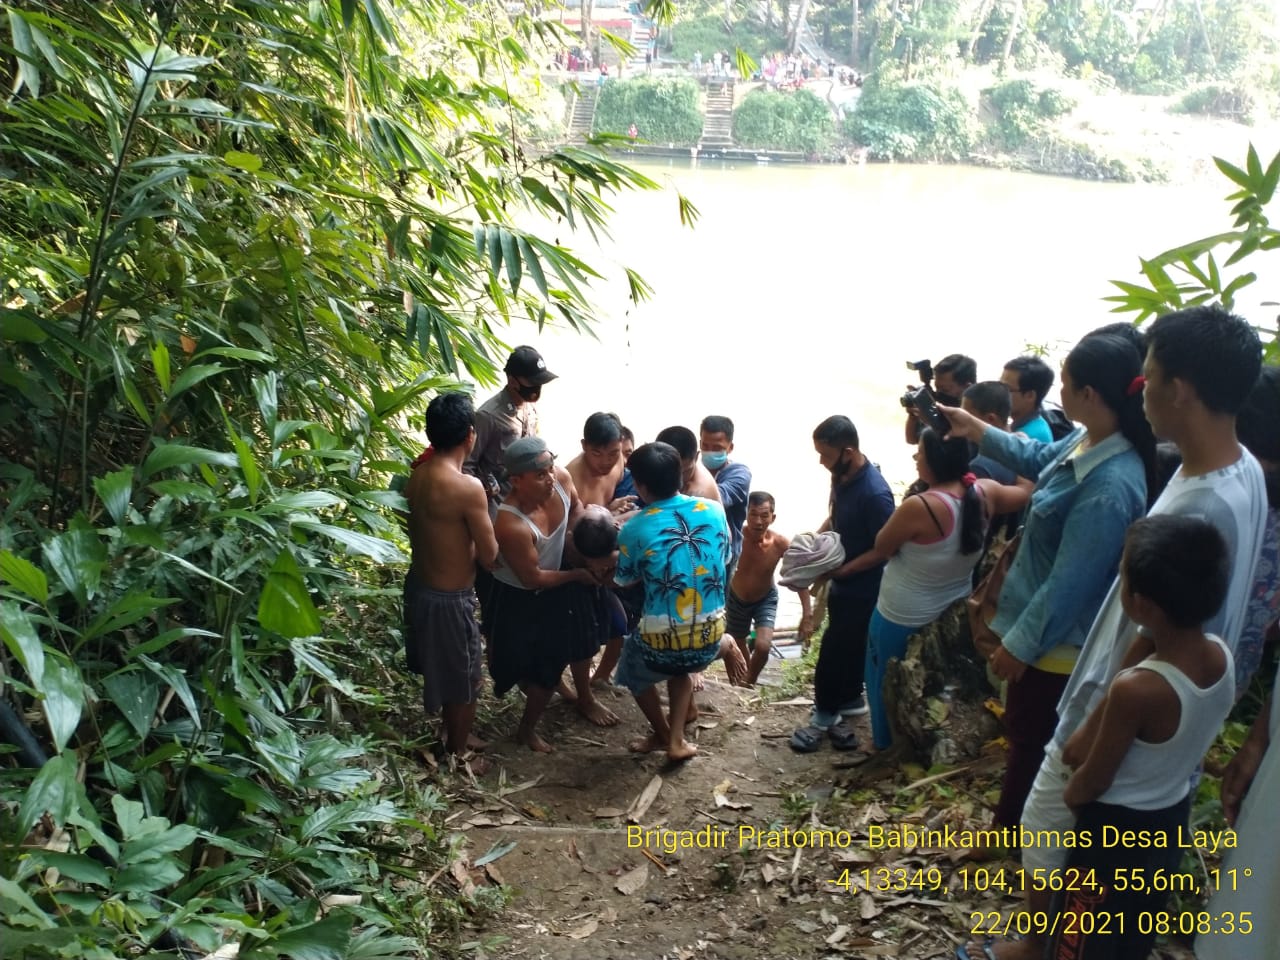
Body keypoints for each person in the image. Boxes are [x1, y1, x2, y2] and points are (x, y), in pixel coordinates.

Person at [968, 306, 1266, 960]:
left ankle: (1038, 946)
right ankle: (1039, 942)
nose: (1141, 389)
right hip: (1136, 719)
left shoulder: (1203, 502)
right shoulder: (1238, 468)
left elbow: (1171, 632)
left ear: (1179, 390)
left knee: (1054, 838)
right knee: (1084, 869)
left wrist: (1097, 723)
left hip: (1123, 721)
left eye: (1149, 376)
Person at [944, 332, 1156, 862]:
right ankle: (1013, 831)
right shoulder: (1087, 441)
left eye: (1064, 385)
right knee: (1025, 736)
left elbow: (1072, 581)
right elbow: (1038, 455)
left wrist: (1020, 643)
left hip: (1059, 644)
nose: (1059, 394)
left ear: (1089, 393)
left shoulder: (1111, 485)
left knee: (1032, 740)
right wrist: (976, 429)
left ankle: (1018, 841)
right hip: (1041, 630)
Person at [1050, 516, 1233, 960]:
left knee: (1077, 934)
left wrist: (1074, 795)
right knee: (1132, 931)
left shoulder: (1139, 689)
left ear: (1142, 604)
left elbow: (1093, 776)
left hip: (1113, 829)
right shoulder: (1220, 657)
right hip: (1168, 822)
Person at [858, 429, 1029, 751]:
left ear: (934, 461)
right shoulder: (985, 492)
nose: (915, 457)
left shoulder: (920, 506)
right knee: (938, 688)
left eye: (919, 453)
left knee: (887, 682)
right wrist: (1017, 449)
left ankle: (886, 747)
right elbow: (1027, 490)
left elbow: (882, 546)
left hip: (901, 616)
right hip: (951, 615)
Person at [612, 442, 748, 762]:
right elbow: (724, 557)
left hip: (666, 641)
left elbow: (624, 578)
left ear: (641, 486)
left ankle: (663, 735)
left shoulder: (634, 527)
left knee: (631, 669)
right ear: (680, 475)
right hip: (710, 631)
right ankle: (676, 740)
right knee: (681, 659)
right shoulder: (713, 509)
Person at [486, 437, 607, 751]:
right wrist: (578, 575)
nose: (550, 477)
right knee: (516, 665)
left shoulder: (563, 480)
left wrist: (585, 545)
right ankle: (527, 727)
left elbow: (578, 508)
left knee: (550, 662)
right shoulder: (510, 522)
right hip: (519, 597)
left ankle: (528, 726)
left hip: (557, 580)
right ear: (516, 480)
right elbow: (532, 578)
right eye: (540, 475)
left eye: (550, 467)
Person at [404, 393, 500, 769]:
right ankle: (458, 754)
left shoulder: (417, 476)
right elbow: (490, 555)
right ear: (470, 436)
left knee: (444, 666)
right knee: (466, 677)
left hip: (422, 587)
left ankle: (452, 731)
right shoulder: (466, 488)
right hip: (451, 596)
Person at [789, 416, 894, 753]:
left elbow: (884, 549)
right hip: (842, 577)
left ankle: (824, 715)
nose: (821, 462)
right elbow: (836, 516)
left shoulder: (875, 494)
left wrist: (846, 571)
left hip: (864, 585)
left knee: (835, 649)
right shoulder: (842, 475)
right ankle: (849, 698)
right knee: (846, 643)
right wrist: (816, 543)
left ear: (848, 451)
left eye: (826, 454)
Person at [726, 492, 813, 685]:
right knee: (738, 645)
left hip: (765, 598)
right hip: (735, 598)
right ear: (746, 514)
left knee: (763, 646)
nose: (758, 521)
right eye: (753, 514)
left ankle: (750, 679)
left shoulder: (780, 543)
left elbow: (798, 576)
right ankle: (745, 682)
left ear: (773, 517)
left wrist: (807, 613)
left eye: (764, 515)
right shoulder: (735, 536)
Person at [464, 345, 557, 513]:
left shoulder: (529, 408)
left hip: (524, 501)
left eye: (540, 383)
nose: (537, 388)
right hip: (495, 506)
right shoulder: (488, 415)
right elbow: (466, 466)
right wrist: (483, 491)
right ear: (513, 380)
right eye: (532, 383)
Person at [699, 416, 751, 579]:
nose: (709, 452)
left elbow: (717, 498)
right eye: (705, 445)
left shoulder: (739, 473)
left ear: (730, 447)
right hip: (693, 548)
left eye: (717, 447)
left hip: (724, 554)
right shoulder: (693, 468)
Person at [904, 353, 976, 445]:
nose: (939, 394)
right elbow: (912, 439)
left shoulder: (976, 415)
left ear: (967, 388)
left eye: (945, 390)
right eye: (937, 388)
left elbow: (955, 449)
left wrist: (931, 422)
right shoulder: (939, 405)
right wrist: (913, 415)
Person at [656, 425, 722, 503]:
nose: (678, 479)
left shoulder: (697, 495)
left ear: (696, 457)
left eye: (684, 472)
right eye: (670, 472)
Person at [1000, 355, 1056, 443]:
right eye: (999, 385)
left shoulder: (1029, 439)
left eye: (1006, 389)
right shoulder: (1026, 424)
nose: (999, 392)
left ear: (1030, 396)